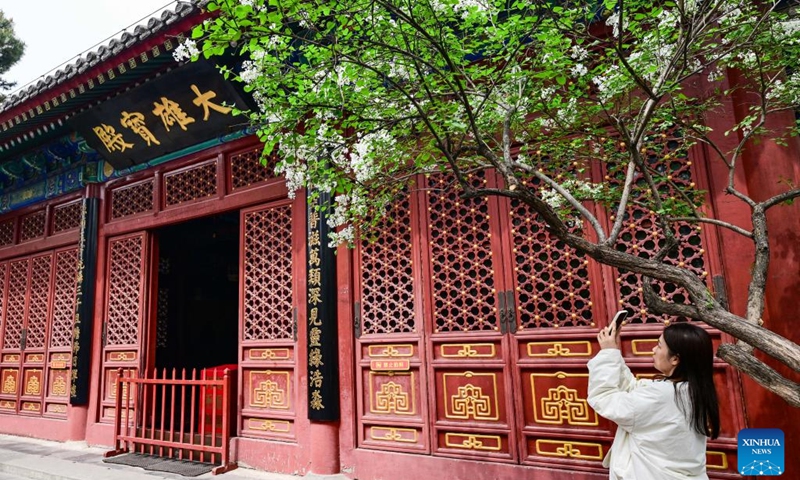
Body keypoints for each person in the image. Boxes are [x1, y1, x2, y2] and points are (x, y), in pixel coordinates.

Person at [587, 321, 720, 480]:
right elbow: (633, 388)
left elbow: (604, 397)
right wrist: (614, 353)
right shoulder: (693, 390)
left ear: (675, 359)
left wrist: (608, 354)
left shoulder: (660, 395)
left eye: (659, 345)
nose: (654, 350)